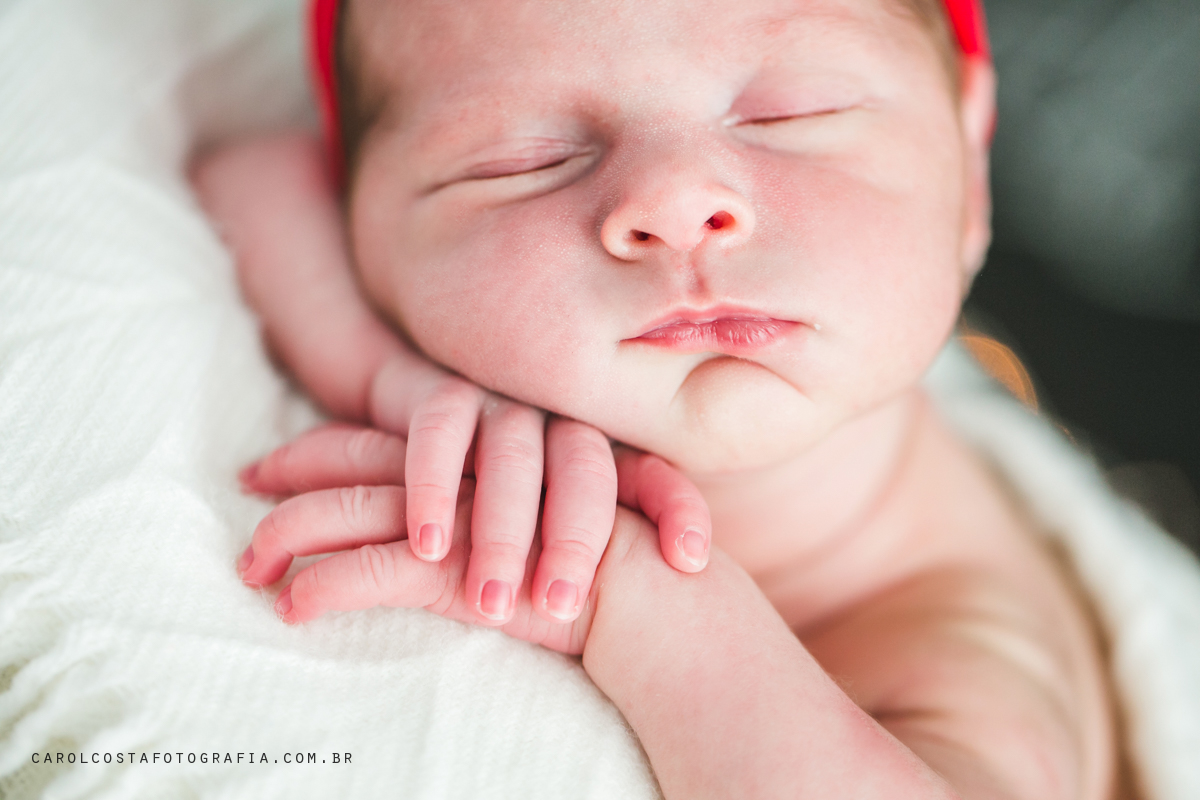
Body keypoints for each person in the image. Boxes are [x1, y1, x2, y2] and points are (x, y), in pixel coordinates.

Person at [192, 0, 1120, 796]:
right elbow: (256, 175)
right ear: (362, 230)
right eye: (522, 161)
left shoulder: (962, 630)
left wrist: (628, 598)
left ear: (970, 173)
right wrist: (390, 379)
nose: (680, 201)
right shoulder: (369, 275)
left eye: (793, 114)